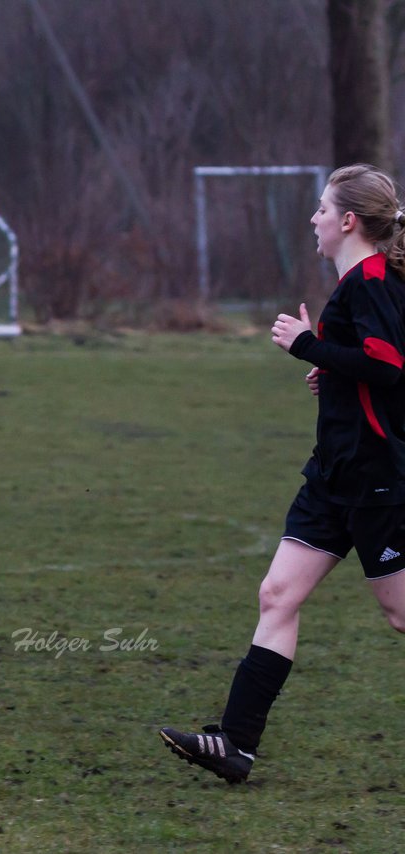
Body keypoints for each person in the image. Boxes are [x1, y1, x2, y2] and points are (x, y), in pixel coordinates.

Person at [160, 163, 405, 783]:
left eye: (322, 209)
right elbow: (372, 367)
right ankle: (234, 745)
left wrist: (308, 346)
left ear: (348, 221)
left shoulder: (372, 280)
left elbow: (391, 368)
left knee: (401, 613)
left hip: (377, 479)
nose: (315, 220)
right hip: (333, 477)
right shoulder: (359, 283)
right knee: (277, 594)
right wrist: (332, 372)